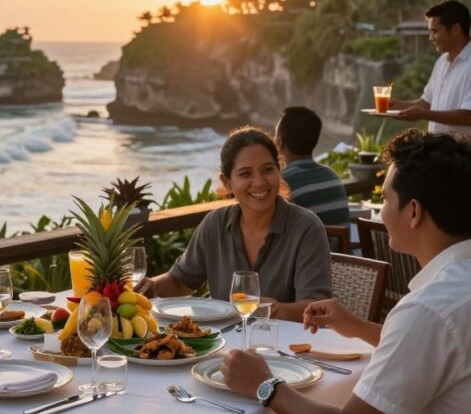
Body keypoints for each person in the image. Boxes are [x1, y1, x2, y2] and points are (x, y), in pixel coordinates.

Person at [221, 130, 471, 414]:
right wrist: (357, 327)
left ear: (413, 211)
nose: (381, 211)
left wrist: (264, 384)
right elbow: (448, 351)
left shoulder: (430, 308)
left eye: (384, 199)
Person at [135, 126, 332, 321]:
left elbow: (316, 306)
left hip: (285, 347)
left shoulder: (306, 228)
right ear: (227, 181)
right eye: (245, 174)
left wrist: (278, 310)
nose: (259, 181)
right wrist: (150, 286)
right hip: (222, 344)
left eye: (268, 170)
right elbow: (180, 282)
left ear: (279, 170)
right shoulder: (215, 223)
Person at [391, 0, 471, 144]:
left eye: (435, 31)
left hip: (469, 155)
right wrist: (391, 105)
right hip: (441, 153)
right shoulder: (442, 61)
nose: (431, 37)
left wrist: (424, 115)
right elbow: (425, 104)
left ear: (456, 29)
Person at [274, 106, 351, 226]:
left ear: (279, 142)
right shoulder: (331, 176)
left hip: (309, 245)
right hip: (338, 245)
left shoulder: (283, 182)